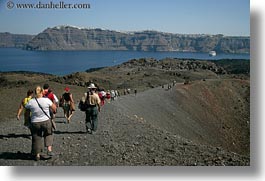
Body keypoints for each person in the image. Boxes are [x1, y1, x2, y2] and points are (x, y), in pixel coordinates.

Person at [25, 86, 57, 161]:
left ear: (35, 93)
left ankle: (37, 155)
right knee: (48, 134)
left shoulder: (31, 101)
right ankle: (49, 150)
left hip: (35, 122)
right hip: (46, 121)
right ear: (42, 92)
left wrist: (27, 121)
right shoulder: (47, 100)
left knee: (36, 137)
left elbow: (26, 112)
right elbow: (54, 108)